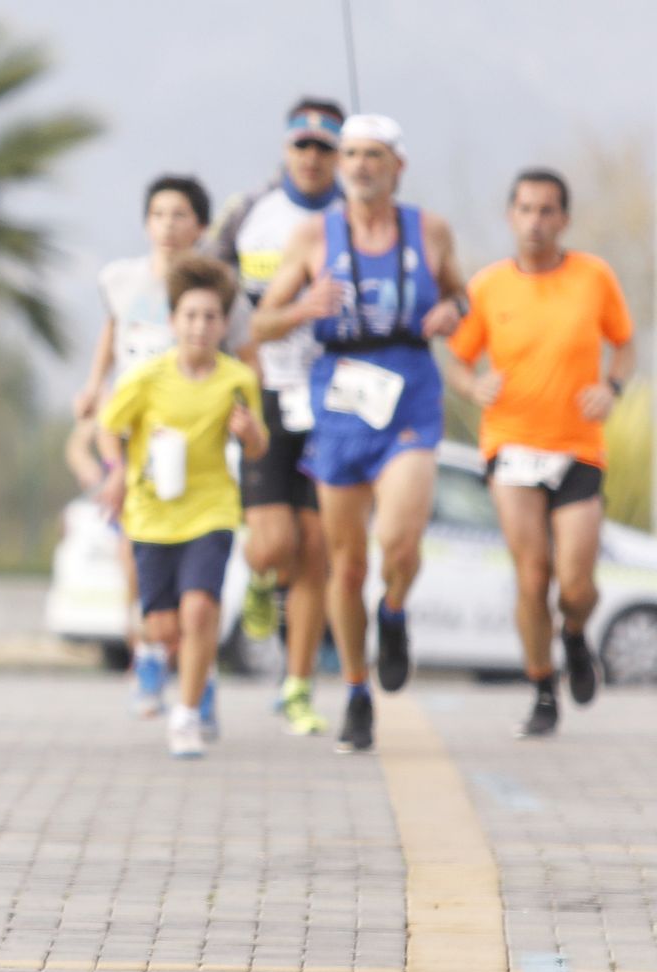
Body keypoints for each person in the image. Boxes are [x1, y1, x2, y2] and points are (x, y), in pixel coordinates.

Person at [254, 115, 468, 753]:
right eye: (350, 154)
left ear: (398, 165)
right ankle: (354, 689)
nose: (359, 165)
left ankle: (395, 611)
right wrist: (301, 308)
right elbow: (262, 325)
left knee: (398, 542)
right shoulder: (313, 236)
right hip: (342, 395)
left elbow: (465, 296)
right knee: (345, 567)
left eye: (373, 154)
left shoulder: (427, 229)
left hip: (409, 388)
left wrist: (450, 310)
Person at [447, 168, 635, 738]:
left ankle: (575, 636)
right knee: (532, 575)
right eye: (525, 209)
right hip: (510, 445)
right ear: (511, 216)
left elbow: (623, 344)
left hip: (577, 445)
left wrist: (612, 387)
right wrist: (471, 385)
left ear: (564, 219)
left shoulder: (593, 277)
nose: (535, 221)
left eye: (547, 210)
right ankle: (541, 685)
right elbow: (457, 357)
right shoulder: (487, 286)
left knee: (576, 584)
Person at [73, 175, 253, 717]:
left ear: (201, 227)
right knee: (135, 546)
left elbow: (243, 352)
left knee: (198, 573)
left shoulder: (218, 288)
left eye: (180, 216)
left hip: (198, 429)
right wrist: (92, 384)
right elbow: (111, 331)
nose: (168, 226)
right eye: (159, 214)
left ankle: (198, 669)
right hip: (138, 427)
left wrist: (242, 416)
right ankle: (150, 646)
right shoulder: (122, 279)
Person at [96, 255, 267, 758]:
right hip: (151, 514)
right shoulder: (146, 378)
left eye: (210, 317)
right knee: (164, 626)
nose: (199, 326)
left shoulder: (237, 379)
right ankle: (192, 668)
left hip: (210, 511)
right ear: (172, 322)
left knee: (200, 610)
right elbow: (110, 429)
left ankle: (187, 716)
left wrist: (250, 434)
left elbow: (257, 446)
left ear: (223, 325)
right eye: (190, 316)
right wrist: (117, 476)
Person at [211, 97, 345, 736]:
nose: (313, 157)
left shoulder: (358, 220)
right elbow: (210, 295)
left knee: (317, 549)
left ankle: (297, 687)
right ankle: (263, 581)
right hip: (263, 392)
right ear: (286, 148)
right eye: (303, 144)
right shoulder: (250, 213)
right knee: (274, 545)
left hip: (334, 399)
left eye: (326, 146)